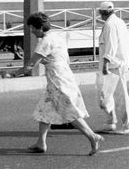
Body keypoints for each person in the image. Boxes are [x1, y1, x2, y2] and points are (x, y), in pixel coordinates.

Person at [23, 12, 103, 156]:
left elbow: (31, 65)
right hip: (63, 75)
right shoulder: (57, 37)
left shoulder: (45, 41)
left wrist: (12, 74)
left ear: (40, 28)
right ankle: (41, 143)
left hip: (58, 80)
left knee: (69, 111)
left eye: (33, 28)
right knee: (44, 110)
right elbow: (60, 57)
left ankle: (92, 136)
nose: (32, 32)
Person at [95, 1, 129, 135]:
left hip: (114, 65)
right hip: (117, 63)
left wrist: (106, 62)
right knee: (106, 94)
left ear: (102, 13)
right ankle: (110, 122)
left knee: (120, 96)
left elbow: (111, 45)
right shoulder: (119, 22)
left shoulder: (110, 24)